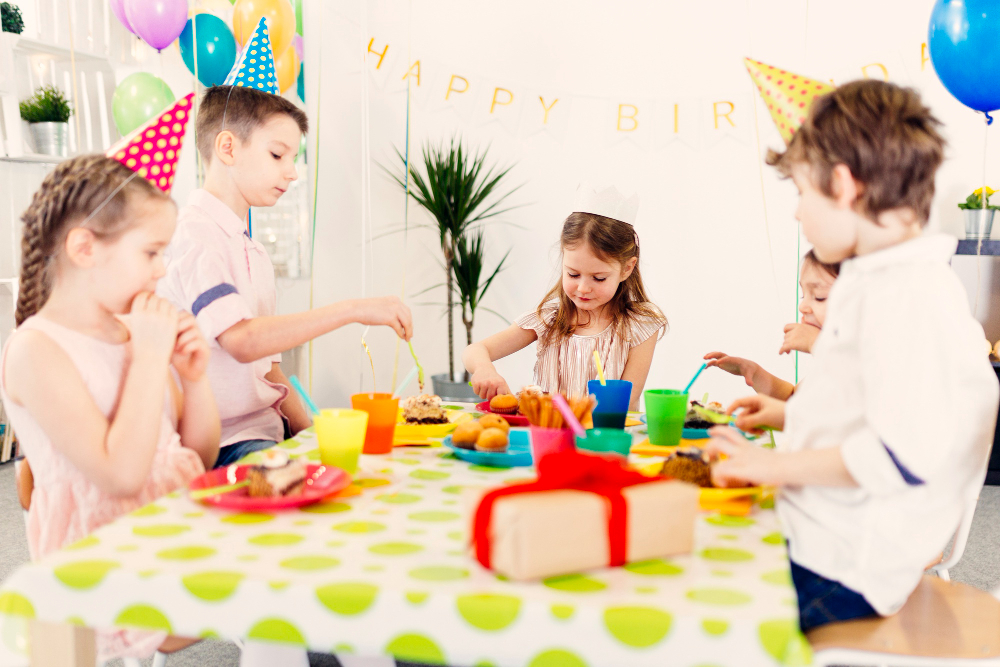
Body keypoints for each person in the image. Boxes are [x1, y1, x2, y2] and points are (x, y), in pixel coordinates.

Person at [707, 80, 999, 632]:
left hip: (840, 568)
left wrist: (771, 466)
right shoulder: (893, 284)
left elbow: (899, 455)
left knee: (698, 614)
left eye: (800, 192)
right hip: (828, 542)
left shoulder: (906, 296)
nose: (797, 214)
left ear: (841, 185)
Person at [0, 155, 220, 660]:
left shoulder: (130, 331)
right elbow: (120, 474)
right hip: (99, 573)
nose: (163, 269)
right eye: (151, 252)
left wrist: (194, 375)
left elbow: (198, 456)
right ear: (84, 248)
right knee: (270, 595)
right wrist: (148, 355)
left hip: (170, 535)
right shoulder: (36, 349)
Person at [158, 85, 412, 468]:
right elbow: (242, 340)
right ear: (227, 148)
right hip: (221, 445)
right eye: (277, 154)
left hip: (267, 433)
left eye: (293, 158)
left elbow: (269, 368)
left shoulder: (254, 252)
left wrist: (312, 434)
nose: (292, 172)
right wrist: (353, 309)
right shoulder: (194, 235)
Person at [465, 187, 666, 410]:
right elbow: (475, 350)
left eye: (598, 278)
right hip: (550, 439)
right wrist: (484, 369)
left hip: (606, 441)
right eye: (573, 274)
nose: (583, 288)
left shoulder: (640, 326)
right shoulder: (549, 319)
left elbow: (622, 403)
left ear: (627, 269)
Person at [705, 249, 839, 400]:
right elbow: (792, 400)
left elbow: (851, 379)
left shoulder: (862, 364)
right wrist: (753, 372)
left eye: (819, 297)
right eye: (803, 295)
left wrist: (817, 344)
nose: (802, 306)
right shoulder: (825, 369)